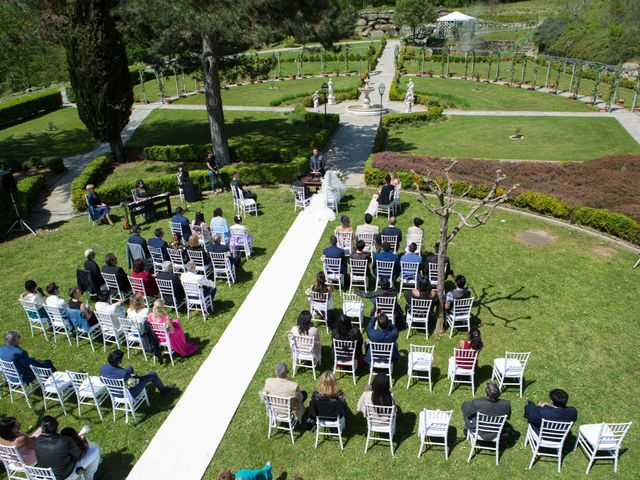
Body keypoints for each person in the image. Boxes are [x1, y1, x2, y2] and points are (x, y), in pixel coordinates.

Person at [34, 416, 101, 480]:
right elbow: (80, 455)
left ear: (42, 428)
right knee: (95, 451)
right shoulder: (65, 440)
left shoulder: (37, 441)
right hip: (66, 476)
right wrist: (84, 442)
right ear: (57, 427)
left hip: (47, 477)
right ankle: (89, 478)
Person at [100, 349, 175, 397]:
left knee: (130, 367)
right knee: (153, 374)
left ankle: (133, 377)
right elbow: (133, 385)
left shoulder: (103, 368)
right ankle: (163, 390)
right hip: (129, 393)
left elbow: (102, 379)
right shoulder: (124, 373)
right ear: (119, 361)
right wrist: (136, 378)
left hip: (114, 393)